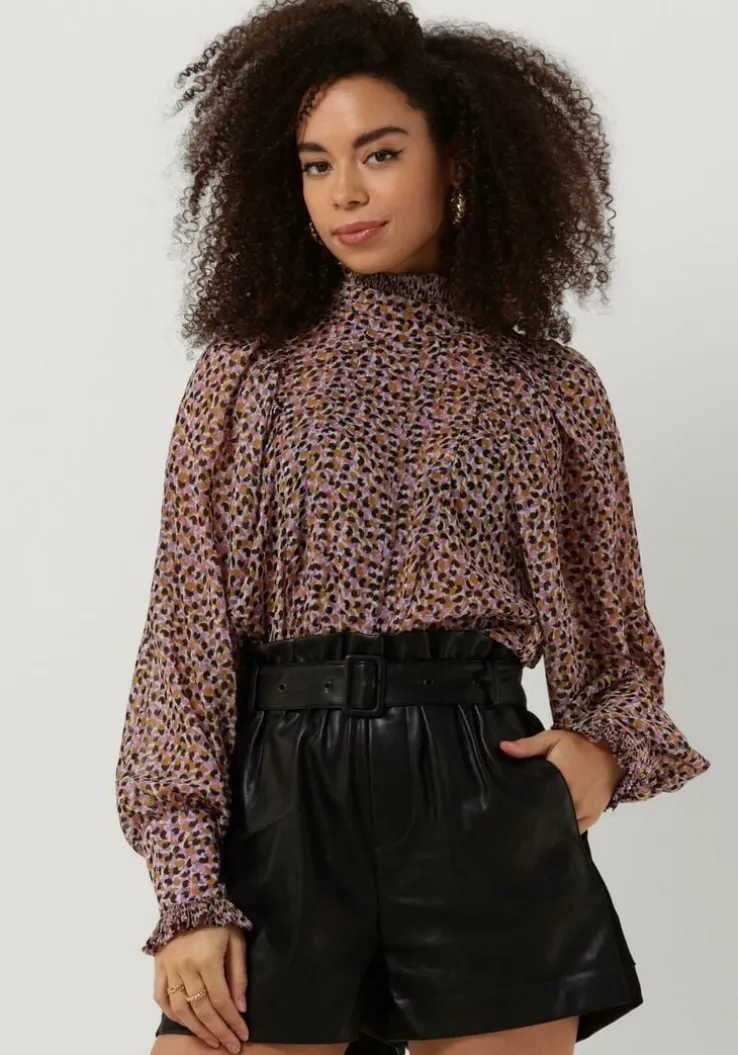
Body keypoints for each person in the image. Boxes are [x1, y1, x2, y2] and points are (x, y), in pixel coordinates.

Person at [114, 1, 711, 1053]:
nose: (344, 191)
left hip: (481, 795)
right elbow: (185, 643)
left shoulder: (547, 386)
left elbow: (612, 637)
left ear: (459, 162)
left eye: (379, 154)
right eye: (315, 164)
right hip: (286, 800)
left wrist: (606, 751)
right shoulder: (245, 376)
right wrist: (189, 889)